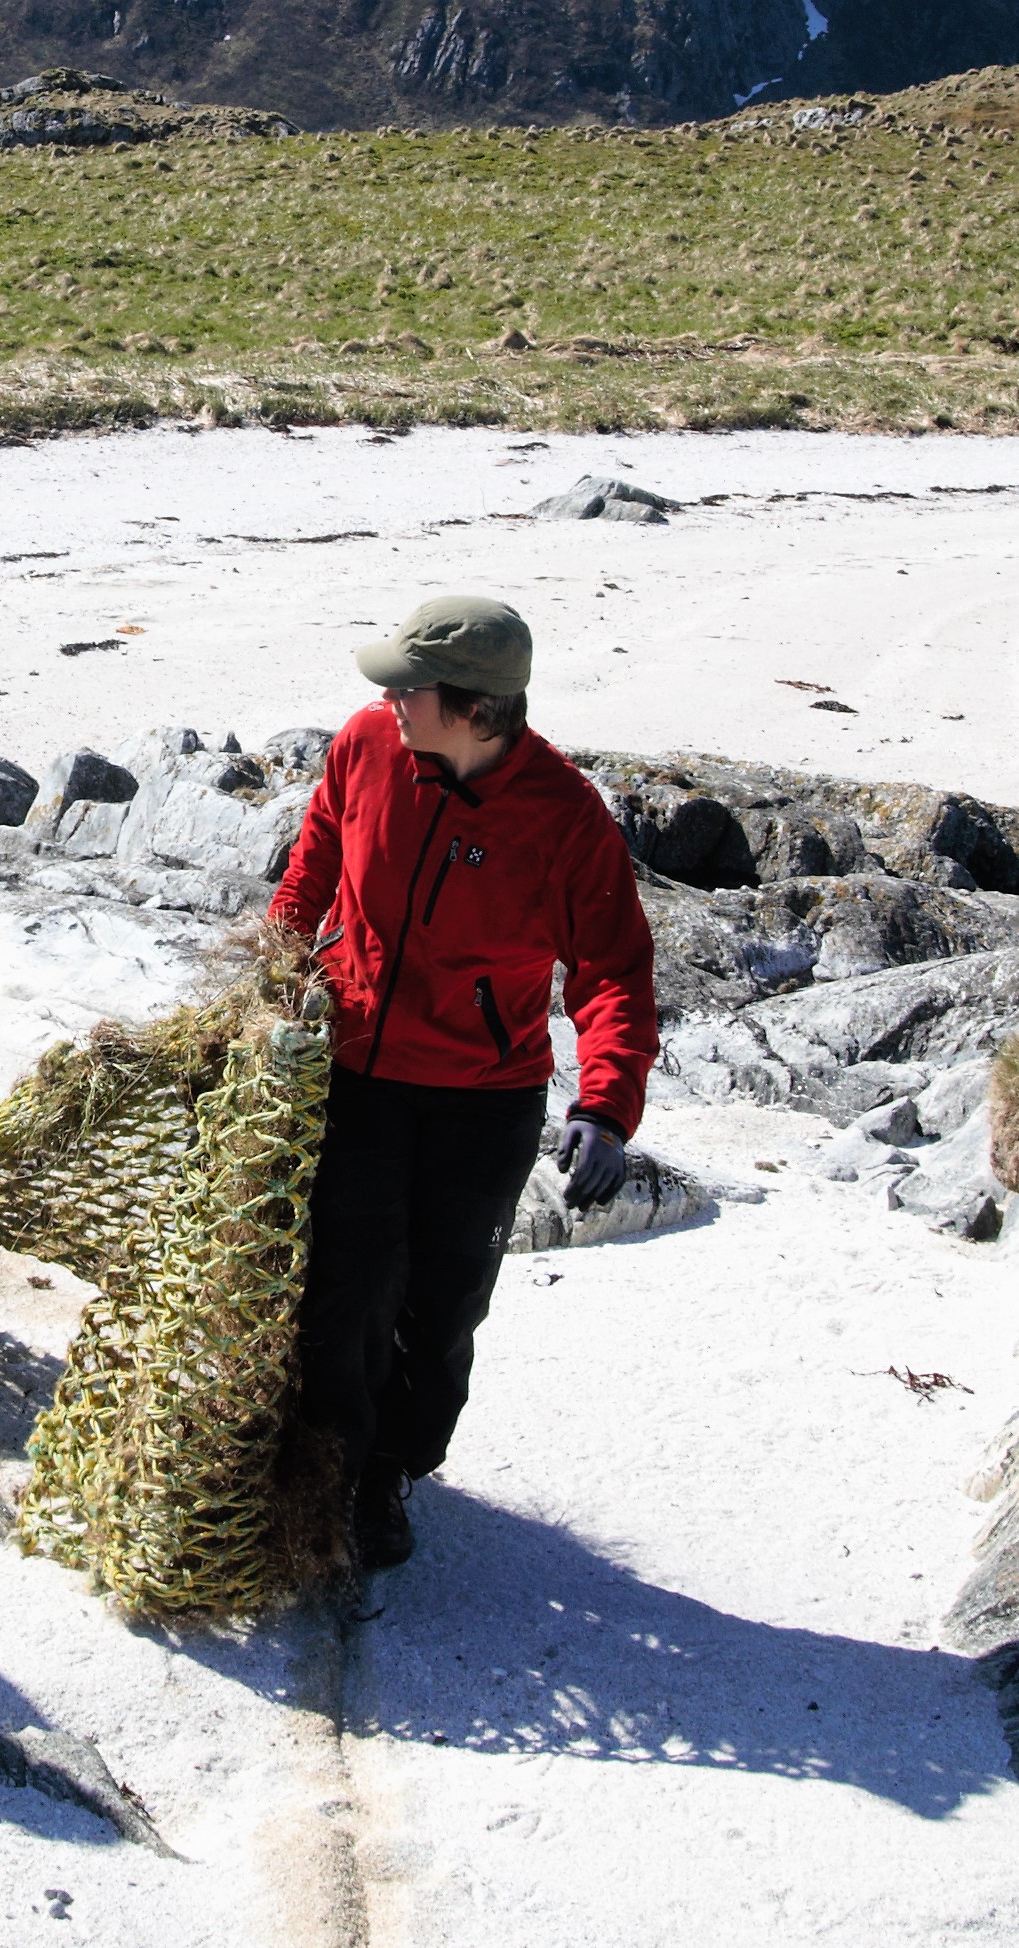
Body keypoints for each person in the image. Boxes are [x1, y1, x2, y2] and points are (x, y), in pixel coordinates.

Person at [268, 595, 660, 1574]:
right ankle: (336, 1470)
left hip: (483, 1098)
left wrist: (604, 1107)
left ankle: (395, 1468)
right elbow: (316, 851)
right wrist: (273, 956)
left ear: (476, 710)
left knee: (443, 1308)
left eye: (409, 684)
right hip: (357, 1068)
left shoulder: (562, 818)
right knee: (343, 1288)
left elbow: (611, 969)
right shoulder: (364, 746)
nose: (388, 696)